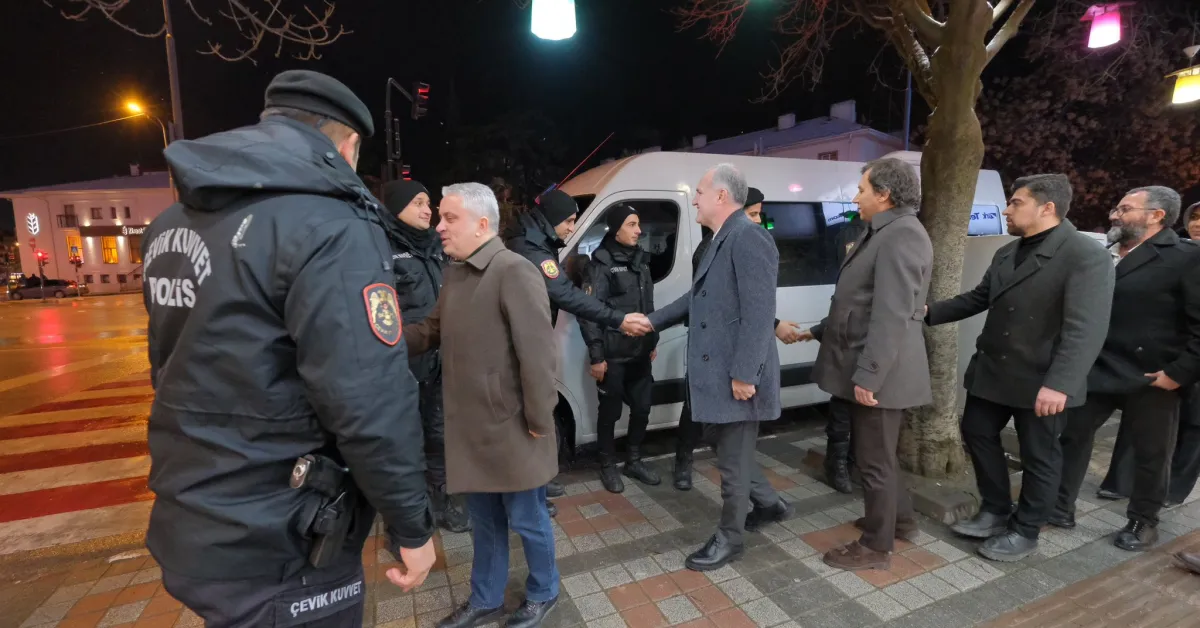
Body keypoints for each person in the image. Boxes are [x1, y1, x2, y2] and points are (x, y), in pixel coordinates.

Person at [140, 70, 436, 626]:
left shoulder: (169, 225)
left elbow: (170, 363)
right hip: (283, 533)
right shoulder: (330, 225)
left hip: (198, 513)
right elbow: (368, 396)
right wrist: (411, 525)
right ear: (346, 145)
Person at [926, 174, 1114, 562]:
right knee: (976, 431)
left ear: (1047, 208)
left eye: (1015, 202)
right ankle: (995, 508)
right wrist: (926, 313)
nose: (1007, 210)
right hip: (995, 372)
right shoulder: (1008, 252)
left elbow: (1086, 328)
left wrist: (1060, 384)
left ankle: (1026, 529)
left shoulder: (1084, 254)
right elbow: (979, 297)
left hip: (1043, 379)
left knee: (1039, 456)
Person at [404, 183, 561, 628]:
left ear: (482, 224)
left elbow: (537, 354)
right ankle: (486, 597)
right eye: (440, 217)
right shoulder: (456, 272)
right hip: (473, 426)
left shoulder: (513, 270)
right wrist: (386, 339)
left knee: (528, 519)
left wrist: (538, 419)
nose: (439, 227)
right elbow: (431, 329)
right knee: (485, 520)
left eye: (450, 218)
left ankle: (544, 591)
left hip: (512, 425)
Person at [649, 163, 792, 571]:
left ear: (721, 196)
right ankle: (770, 504)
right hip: (716, 376)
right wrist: (651, 321)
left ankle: (730, 538)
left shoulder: (750, 238)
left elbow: (760, 314)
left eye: (698, 191)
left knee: (731, 463)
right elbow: (696, 300)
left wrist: (747, 373)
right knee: (728, 448)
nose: (693, 198)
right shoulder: (720, 239)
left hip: (736, 377)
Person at [798, 158, 933, 571]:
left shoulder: (900, 235)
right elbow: (857, 304)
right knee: (880, 458)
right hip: (873, 366)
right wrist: (818, 330)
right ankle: (901, 521)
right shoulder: (886, 232)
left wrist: (870, 376)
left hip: (882, 373)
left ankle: (876, 547)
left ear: (884, 193)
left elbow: (891, 314)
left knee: (873, 462)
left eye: (861, 189)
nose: (855, 197)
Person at [1053, 186, 1200, 551]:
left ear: (1156, 216)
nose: (1114, 215)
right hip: (1098, 367)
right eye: (1116, 208)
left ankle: (1143, 522)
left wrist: (1179, 373)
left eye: (1125, 209)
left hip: (1152, 377)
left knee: (1151, 455)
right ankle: (1058, 508)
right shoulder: (1104, 253)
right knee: (1072, 437)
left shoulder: (1185, 257)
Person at [504, 189, 652, 511]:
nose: (572, 228)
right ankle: (530, 495)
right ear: (552, 219)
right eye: (569, 221)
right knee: (528, 420)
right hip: (521, 348)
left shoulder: (535, 243)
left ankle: (538, 482)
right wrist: (618, 320)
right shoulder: (532, 251)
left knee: (537, 416)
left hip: (528, 344)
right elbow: (567, 295)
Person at [672, 186, 804, 491]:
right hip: (712, 349)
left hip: (729, 353)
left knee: (728, 442)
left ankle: (760, 501)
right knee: (699, 417)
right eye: (752, 213)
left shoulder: (740, 240)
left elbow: (751, 304)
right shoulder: (713, 248)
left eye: (760, 214)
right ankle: (685, 463)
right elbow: (720, 303)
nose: (758, 221)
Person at [381, 179, 471, 534]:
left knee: (439, 436)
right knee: (402, 448)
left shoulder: (437, 247)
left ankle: (441, 502)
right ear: (396, 207)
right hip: (402, 365)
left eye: (428, 203)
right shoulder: (380, 249)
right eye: (418, 202)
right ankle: (401, 525)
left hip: (440, 361)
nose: (427, 210)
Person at [579, 204, 662, 493]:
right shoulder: (600, 263)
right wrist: (597, 356)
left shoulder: (641, 260)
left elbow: (648, 306)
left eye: (638, 224)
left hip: (640, 352)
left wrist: (653, 340)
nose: (639, 230)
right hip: (613, 356)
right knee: (610, 413)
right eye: (632, 224)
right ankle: (607, 465)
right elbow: (589, 312)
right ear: (616, 228)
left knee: (642, 408)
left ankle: (634, 461)